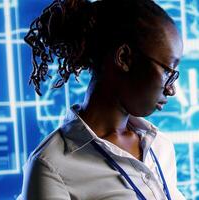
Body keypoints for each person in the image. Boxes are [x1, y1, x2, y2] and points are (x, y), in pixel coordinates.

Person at [18, 0, 185, 199]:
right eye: (167, 71)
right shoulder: (51, 166)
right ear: (123, 57)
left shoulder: (160, 147)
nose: (172, 89)